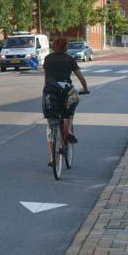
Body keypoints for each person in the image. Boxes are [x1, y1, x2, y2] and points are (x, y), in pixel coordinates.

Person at [43, 37, 89, 166]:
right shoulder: (69, 59)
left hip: (50, 91)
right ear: (65, 47)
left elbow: (46, 78)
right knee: (71, 106)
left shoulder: (48, 59)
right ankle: (68, 130)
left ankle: (52, 158)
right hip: (65, 90)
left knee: (51, 125)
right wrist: (85, 89)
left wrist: (48, 90)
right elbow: (82, 79)